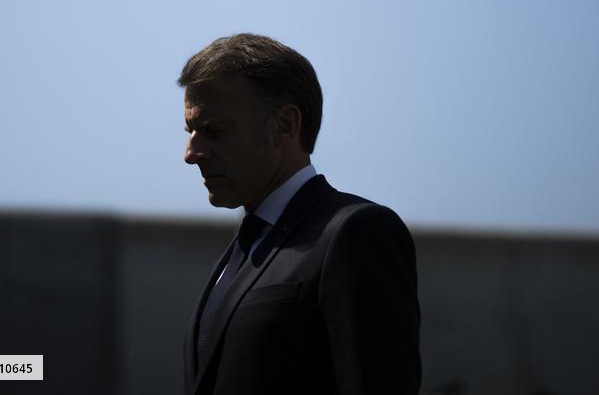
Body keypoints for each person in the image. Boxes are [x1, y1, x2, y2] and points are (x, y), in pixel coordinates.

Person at [179, 33, 421, 395]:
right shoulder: (242, 251)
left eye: (214, 130)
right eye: (191, 131)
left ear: (285, 125)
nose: (191, 152)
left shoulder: (355, 232)